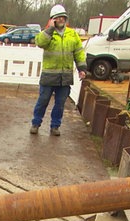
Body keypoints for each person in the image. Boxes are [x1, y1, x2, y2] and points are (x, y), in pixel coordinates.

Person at [30, 4, 87, 136]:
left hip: (65, 77)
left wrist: (82, 68)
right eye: (58, 17)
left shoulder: (72, 34)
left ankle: (55, 126)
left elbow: (79, 53)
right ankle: (36, 123)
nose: (61, 19)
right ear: (52, 19)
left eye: (63, 17)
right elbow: (40, 43)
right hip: (49, 76)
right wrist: (50, 29)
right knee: (42, 101)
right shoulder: (47, 33)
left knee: (60, 104)